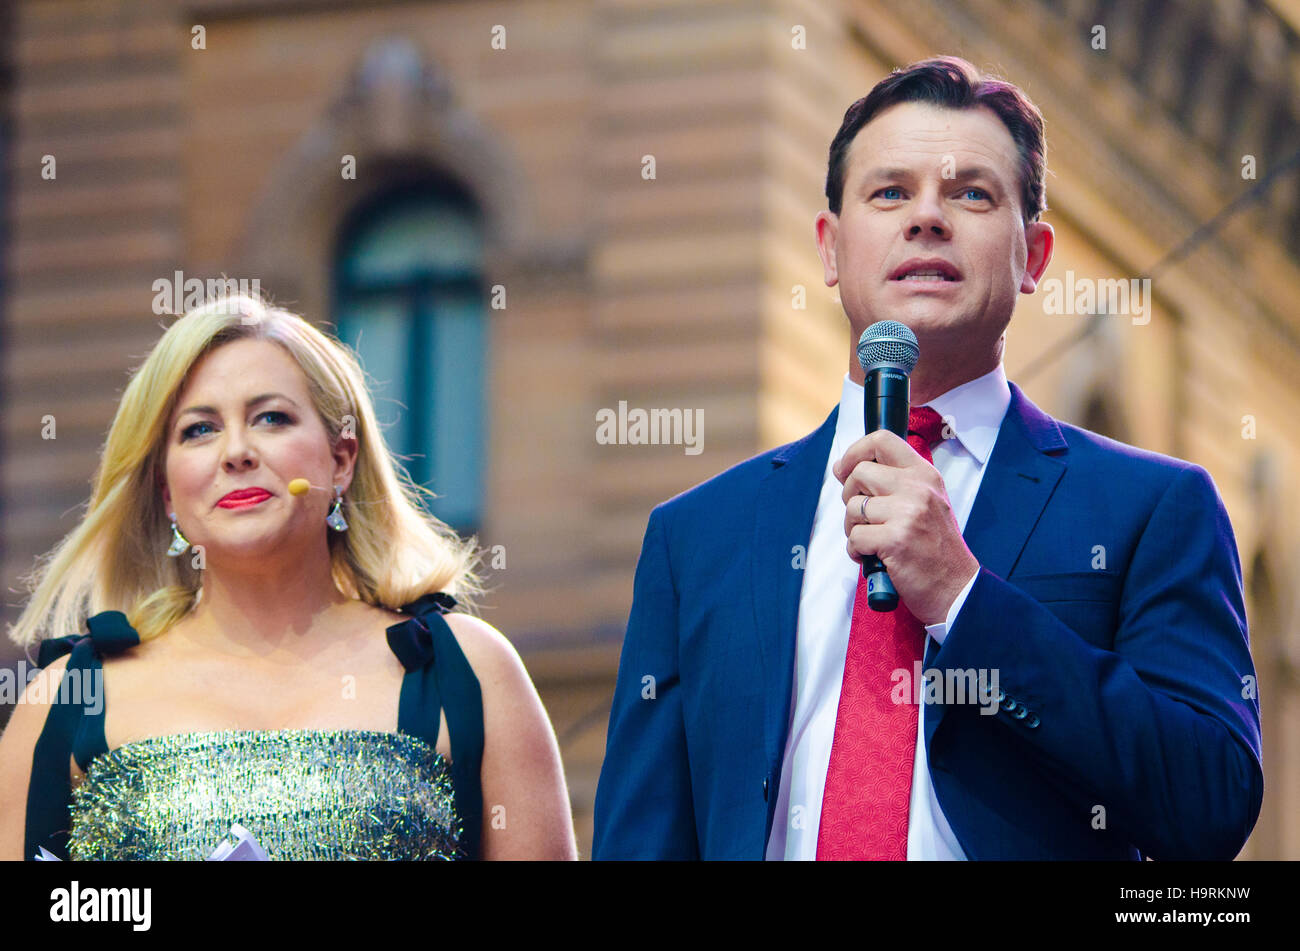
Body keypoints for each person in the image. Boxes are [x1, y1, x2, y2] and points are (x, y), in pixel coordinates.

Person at [592, 56, 1262, 860]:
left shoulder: (1152, 508)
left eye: (972, 193)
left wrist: (963, 596)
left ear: (1035, 257)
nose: (927, 218)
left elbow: (1212, 799)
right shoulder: (697, 537)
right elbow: (643, 836)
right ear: (830, 248)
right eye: (890, 192)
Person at [0, 294, 577, 860]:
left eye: (271, 418)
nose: (237, 452)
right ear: (166, 491)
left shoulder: (468, 670)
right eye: (199, 430)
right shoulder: (65, 697)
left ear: (341, 459)